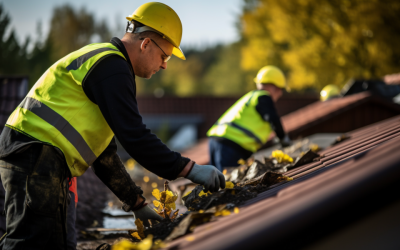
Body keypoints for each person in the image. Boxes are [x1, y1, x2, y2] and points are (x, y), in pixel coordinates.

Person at [0, 2, 225, 249]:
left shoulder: (108, 64)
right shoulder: (112, 67)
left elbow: (104, 154)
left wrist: (136, 203)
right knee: (29, 242)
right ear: (146, 43)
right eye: (165, 56)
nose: (164, 65)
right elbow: (135, 137)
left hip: (37, 155)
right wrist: (190, 170)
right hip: (34, 154)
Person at [207, 65, 291, 171]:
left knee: (215, 181)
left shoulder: (251, 97)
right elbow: (273, 119)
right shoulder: (263, 97)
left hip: (216, 141)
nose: (281, 94)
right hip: (232, 145)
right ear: (274, 87)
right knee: (228, 182)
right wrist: (283, 138)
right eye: (281, 89)